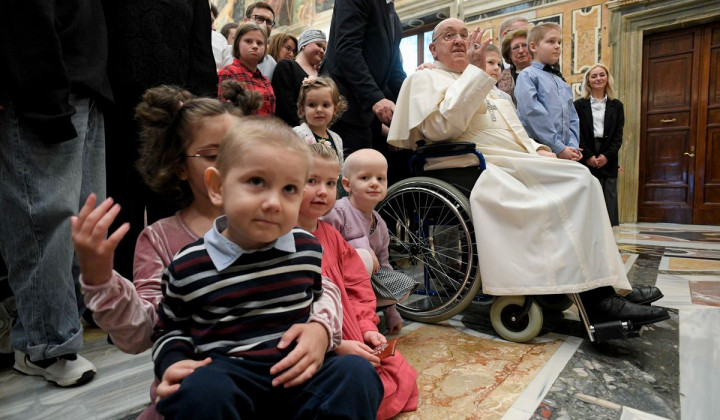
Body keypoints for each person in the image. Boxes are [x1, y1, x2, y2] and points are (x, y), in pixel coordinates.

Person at [387, 18, 668, 327]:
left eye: (464, 35)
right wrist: (476, 74)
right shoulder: (425, 79)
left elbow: (516, 134)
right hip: (469, 164)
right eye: (449, 35)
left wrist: (541, 151)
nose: (459, 40)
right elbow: (440, 129)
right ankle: (598, 300)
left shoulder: (493, 90)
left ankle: (604, 287)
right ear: (433, 48)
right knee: (578, 182)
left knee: (580, 177)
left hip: (513, 159)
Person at [151, 117, 383, 419]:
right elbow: (169, 328)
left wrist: (322, 332)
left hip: (299, 376)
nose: (273, 202)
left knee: (355, 374)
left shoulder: (307, 248)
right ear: (217, 186)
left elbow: (322, 297)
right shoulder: (189, 264)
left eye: (289, 188)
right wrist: (171, 361)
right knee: (198, 393)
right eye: (257, 182)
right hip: (230, 381)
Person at [0, 0, 111, 387]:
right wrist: (42, 94)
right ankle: (44, 344)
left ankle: (55, 333)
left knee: (84, 219)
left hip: (83, 85)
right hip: (44, 87)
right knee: (45, 218)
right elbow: (22, 17)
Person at [298, 142, 419, 419]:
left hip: (350, 327)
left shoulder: (331, 234)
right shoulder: (285, 239)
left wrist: (366, 327)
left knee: (399, 371)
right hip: (316, 346)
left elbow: (357, 287)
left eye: (329, 183)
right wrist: (337, 345)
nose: (322, 191)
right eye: (311, 181)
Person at [101, 0, 219, 279]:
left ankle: (180, 284)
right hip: (117, 111)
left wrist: (201, 117)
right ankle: (121, 293)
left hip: (175, 117)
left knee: (172, 200)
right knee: (119, 202)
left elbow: (201, 54)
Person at [322, 149, 419, 335]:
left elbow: (384, 265)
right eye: (365, 178)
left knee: (402, 285)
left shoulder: (380, 223)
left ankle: (363, 311)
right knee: (363, 258)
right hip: (336, 281)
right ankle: (348, 317)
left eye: (380, 178)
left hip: (365, 282)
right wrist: (359, 249)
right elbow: (324, 249)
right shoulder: (338, 212)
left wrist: (392, 313)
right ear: (347, 184)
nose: (374, 183)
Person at [321, 0, 407, 161]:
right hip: (344, 107)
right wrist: (375, 97)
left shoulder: (392, 14)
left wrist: (413, 97)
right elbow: (347, 50)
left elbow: (394, 67)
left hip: (366, 115)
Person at [515, 22, 582, 161]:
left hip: (565, 151)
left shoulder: (561, 81)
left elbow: (573, 117)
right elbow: (532, 113)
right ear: (533, 47)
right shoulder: (527, 75)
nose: (557, 46)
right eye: (551, 41)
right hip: (540, 151)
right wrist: (558, 147)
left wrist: (572, 146)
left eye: (559, 42)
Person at [574, 63, 624, 226]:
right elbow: (576, 132)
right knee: (587, 194)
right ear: (588, 81)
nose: (598, 78)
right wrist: (588, 156)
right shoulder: (579, 105)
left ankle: (607, 235)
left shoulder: (617, 105)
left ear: (607, 78)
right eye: (593, 76)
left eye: (602, 75)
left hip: (608, 154)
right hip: (586, 151)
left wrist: (607, 156)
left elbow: (618, 135)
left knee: (608, 196)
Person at [218, 22, 276, 116]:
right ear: (237, 44)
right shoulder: (228, 72)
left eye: (259, 43)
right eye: (248, 41)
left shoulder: (265, 80)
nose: (255, 46)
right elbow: (222, 113)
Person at [273, 29, 327, 127]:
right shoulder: (286, 66)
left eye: (324, 48)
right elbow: (286, 105)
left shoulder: (322, 73)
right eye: (318, 45)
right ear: (304, 45)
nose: (322, 51)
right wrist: (307, 130)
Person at [293, 76, 347, 163]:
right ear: (302, 109)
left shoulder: (337, 139)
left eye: (325, 105)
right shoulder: (296, 135)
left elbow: (340, 168)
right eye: (312, 105)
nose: (319, 110)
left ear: (335, 109)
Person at [244, 1, 278, 79]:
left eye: (269, 22)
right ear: (246, 21)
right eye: (259, 18)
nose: (264, 25)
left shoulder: (271, 64)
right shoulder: (226, 53)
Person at [498, 29, 531, 104]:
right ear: (509, 54)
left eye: (524, 45)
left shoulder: (545, 70)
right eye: (515, 47)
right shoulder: (503, 76)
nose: (521, 50)